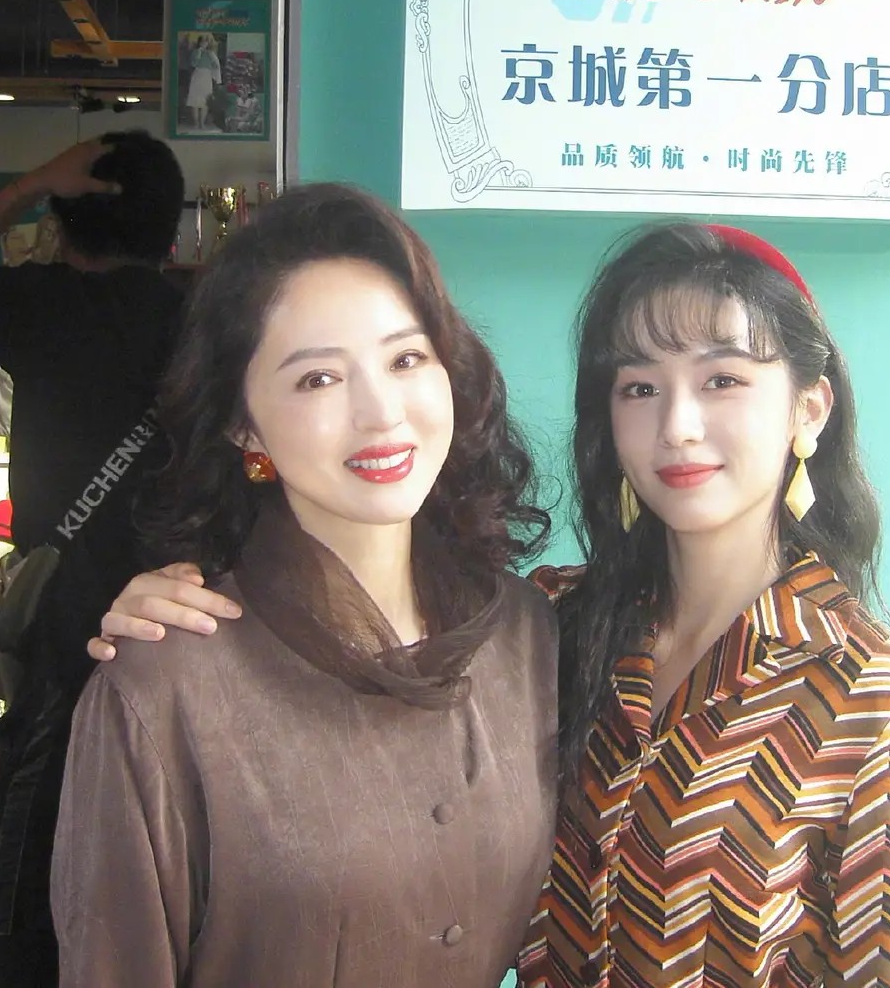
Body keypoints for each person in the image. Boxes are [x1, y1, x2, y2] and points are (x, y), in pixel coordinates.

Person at [95, 221, 890, 987]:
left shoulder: (877, 701)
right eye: (639, 387)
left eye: (724, 380)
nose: (678, 425)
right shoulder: (547, 628)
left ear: (809, 408)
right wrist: (174, 626)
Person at [50, 182, 558, 988]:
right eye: (319, 379)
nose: (381, 412)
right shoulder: (166, 683)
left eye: (406, 359)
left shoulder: (528, 637)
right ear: (242, 423)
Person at [0, 130, 187, 987]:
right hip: (179, 626)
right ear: (170, 230)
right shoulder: (203, 318)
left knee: (31, 863)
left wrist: (30, 184)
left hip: (63, 624)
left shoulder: (43, 303)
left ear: (64, 223)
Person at [185, 36, 221, 132]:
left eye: (206, 42)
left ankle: (202, 123)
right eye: (202, 42)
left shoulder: (210, 53)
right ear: (199, 43)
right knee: (195, 101)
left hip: (207, 77)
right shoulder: (195, 52)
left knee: (205, 101)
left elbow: (215, 66)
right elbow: (193, 64)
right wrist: (199, 53)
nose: (204, 44)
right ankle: (196, 123)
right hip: (197, 75)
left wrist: (212, 57)